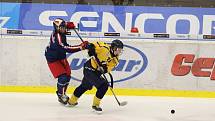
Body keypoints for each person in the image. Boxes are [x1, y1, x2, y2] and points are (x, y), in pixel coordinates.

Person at [68, 39, 124, 113]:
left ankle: (71, 101)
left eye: (120, 50)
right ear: (113, 48)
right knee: (103, 86)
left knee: (85, 86)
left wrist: (103, 69)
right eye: (118, 50)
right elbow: (94, 45)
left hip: (96, 73)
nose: (119, 52)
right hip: (89, 68)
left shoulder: (115, 60)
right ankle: (95, 105)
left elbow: (108, 69)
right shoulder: (104, 48)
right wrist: (90, 47)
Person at [45, 18, 88, 105]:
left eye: (64, 27)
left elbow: (64, 25)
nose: (64, 29)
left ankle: (63, 93)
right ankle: (61, 95)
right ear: (57, 28)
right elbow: (67, 48)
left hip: (61, 56)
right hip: (53, 59)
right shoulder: (58, 38)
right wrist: (81, 47)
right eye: (62, 28)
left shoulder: (60, 30)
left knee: (68, 76)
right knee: (63, 77)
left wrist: (69, 25)